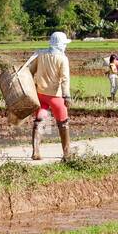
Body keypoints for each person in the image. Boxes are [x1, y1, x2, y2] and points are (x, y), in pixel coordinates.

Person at [28, 31, 72, 160]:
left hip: (40, 95)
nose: (65, 47)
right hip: (56, 96)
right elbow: (65, 79)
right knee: (63, 123)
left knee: (39, 122)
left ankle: (35, 152)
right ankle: (67, 154)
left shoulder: (41, 55)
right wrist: (67, 96)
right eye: (64, 44)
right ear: (60, 45)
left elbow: (31, 71)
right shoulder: (62, 59)